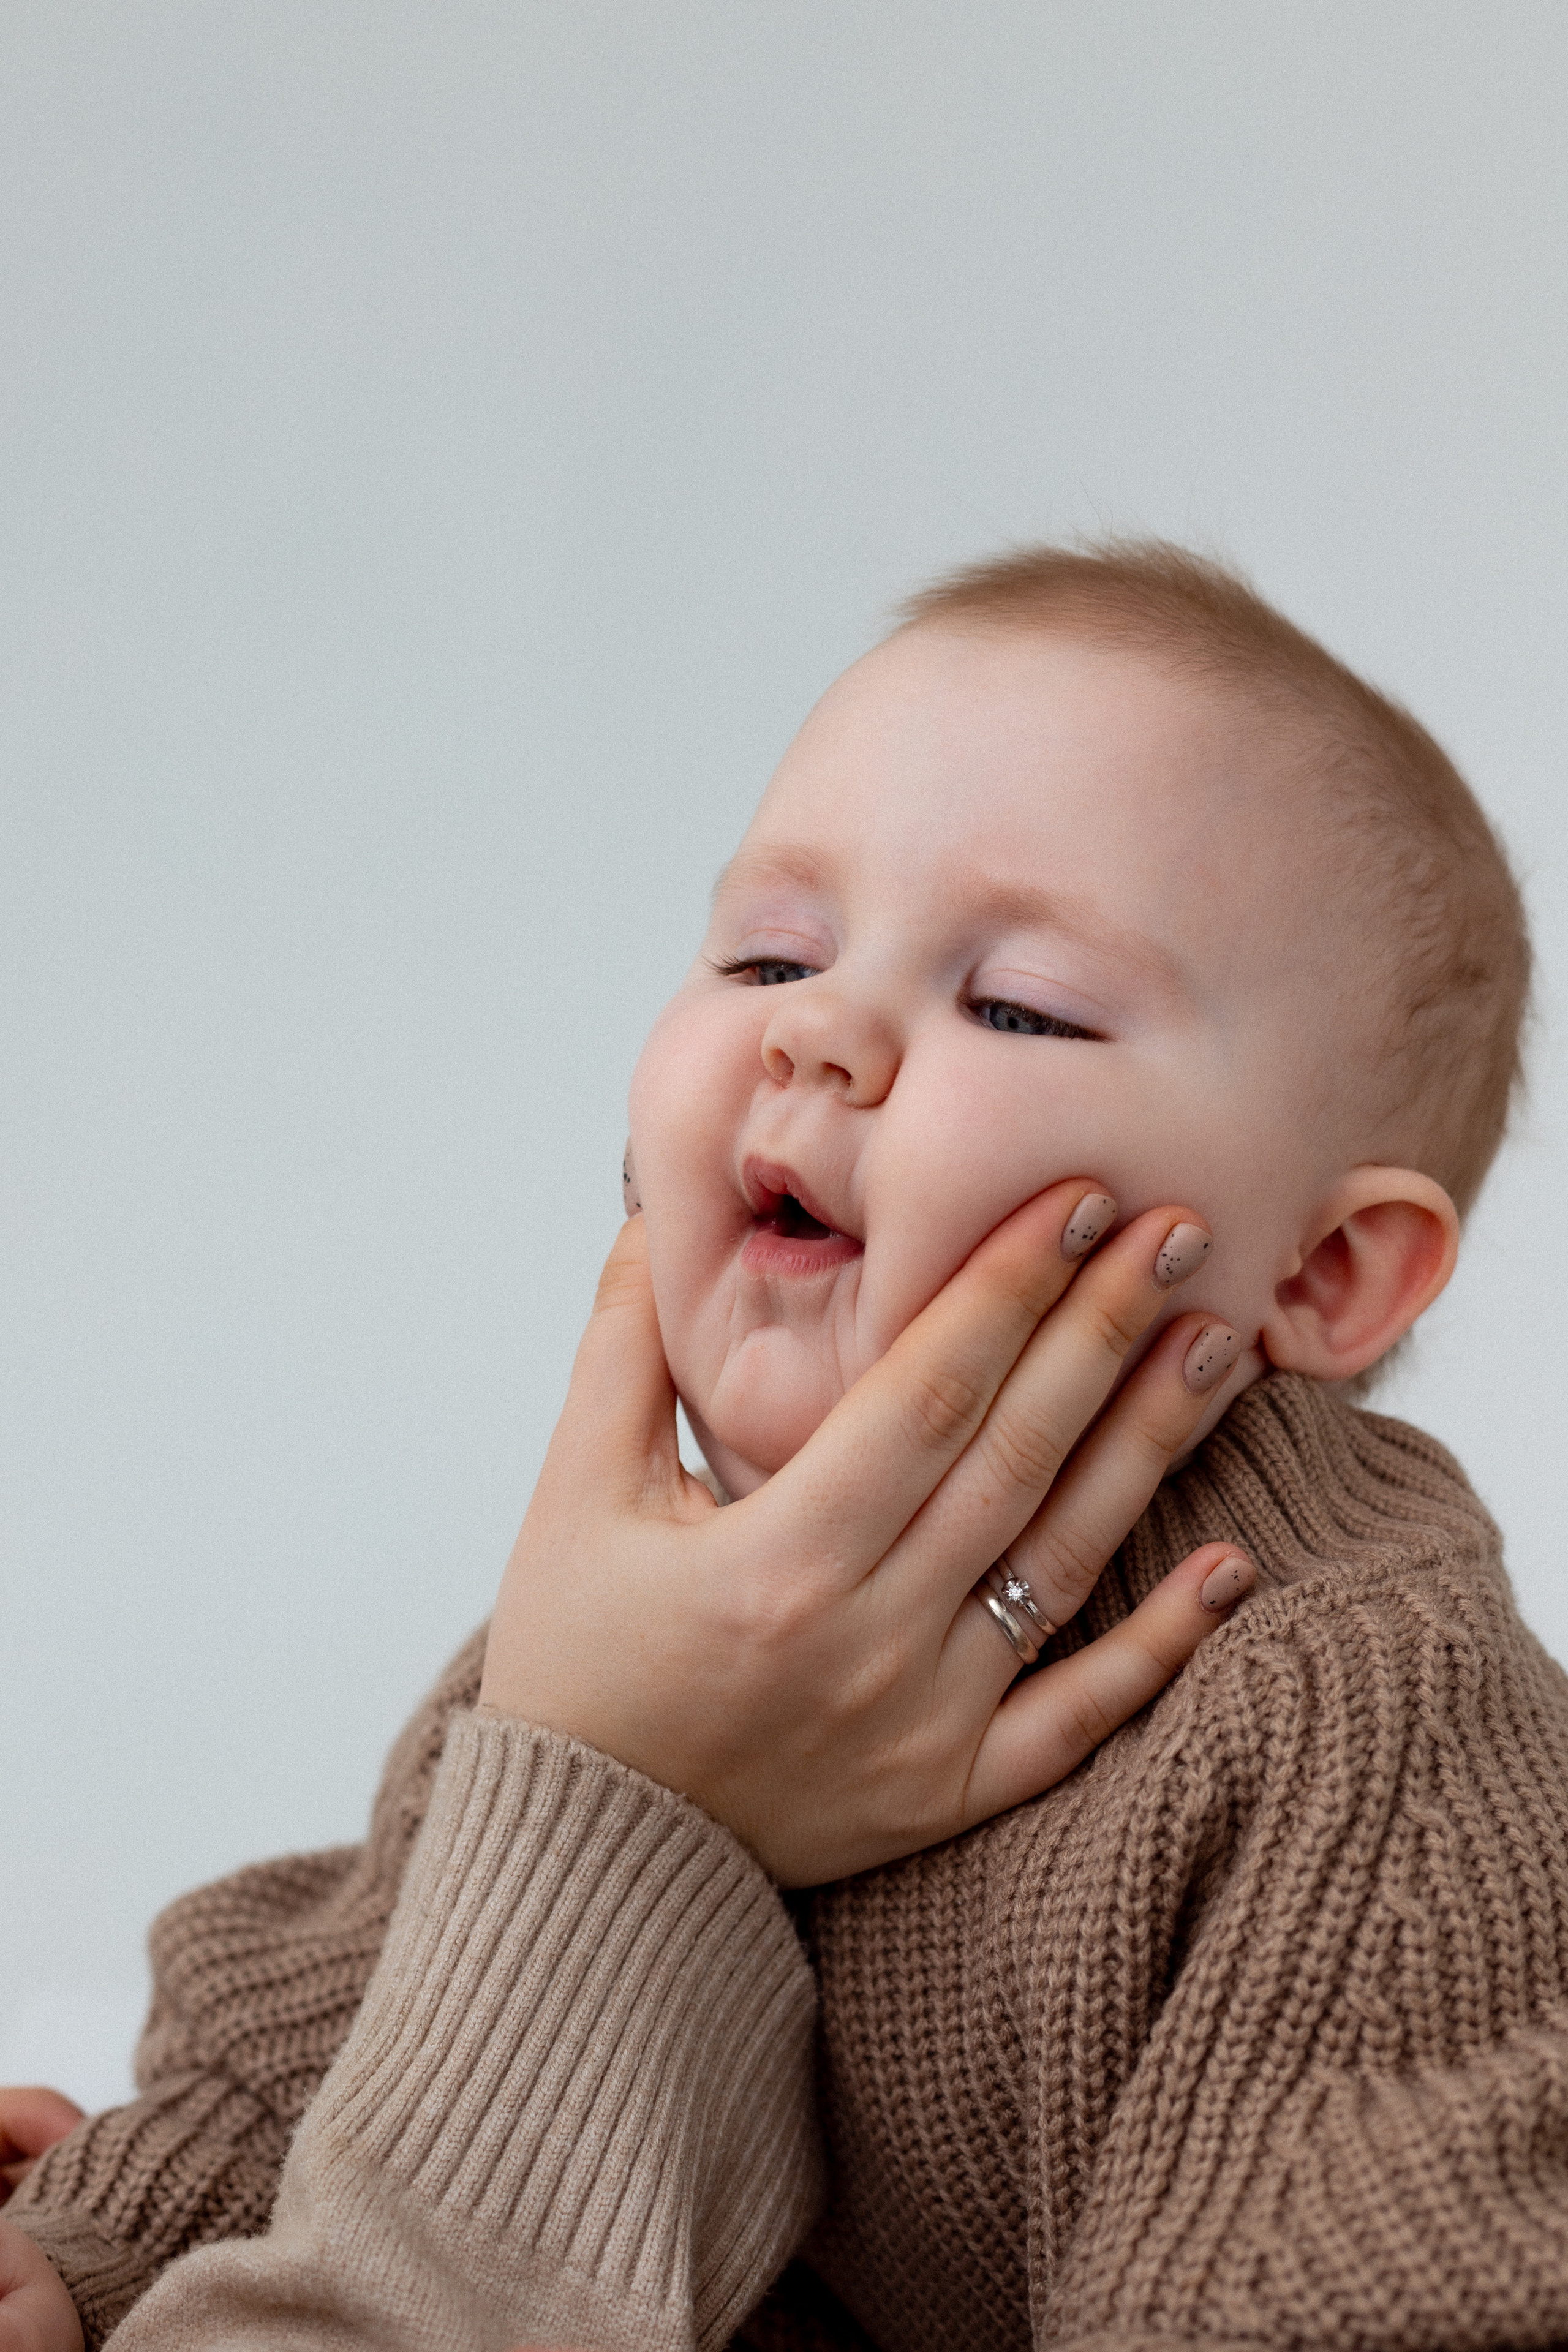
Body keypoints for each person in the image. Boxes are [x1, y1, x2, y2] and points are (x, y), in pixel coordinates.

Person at [6, 541, 1564, 2351]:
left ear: (1323, 1269)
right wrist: (105, 2248)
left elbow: (1358, 2266)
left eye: (1017, 1004)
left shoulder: (1356, 1719)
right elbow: (342, 2046)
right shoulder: (643, 1607)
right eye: (768, 955)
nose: (816, 1033)